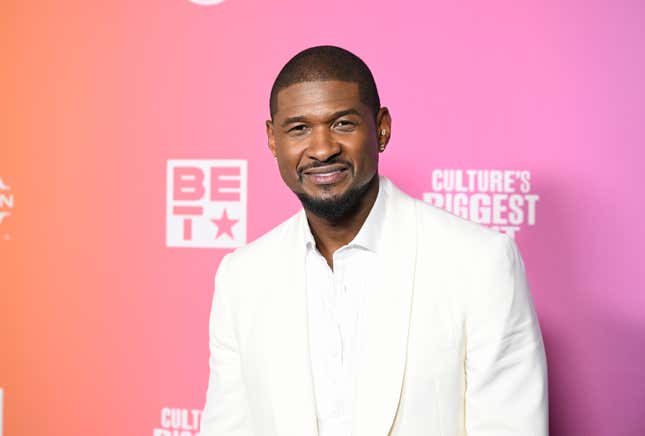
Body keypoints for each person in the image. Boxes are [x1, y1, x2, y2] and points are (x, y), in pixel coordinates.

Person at [200, 45, 548, 436]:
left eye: (343, 124)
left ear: (381, 128)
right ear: (272, 139)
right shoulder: (242, 276)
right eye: (298, 128)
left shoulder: (478, 261)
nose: (321, 149)